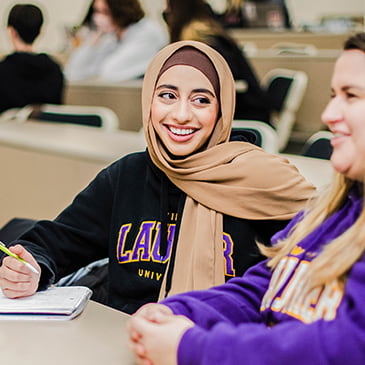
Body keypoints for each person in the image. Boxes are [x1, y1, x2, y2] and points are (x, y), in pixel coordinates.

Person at [0, 40, 315, 315]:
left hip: (218, 345)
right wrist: (32, 266)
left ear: (222, 110)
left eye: (201, 100)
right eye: (167, 95)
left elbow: (318, 263)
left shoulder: (261, 182)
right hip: (123, 339)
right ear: (149, 102)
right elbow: (58, 242)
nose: (181, 115)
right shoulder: (127, 176)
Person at [128, 33, 365, 365]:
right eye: (332, 95)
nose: (328, 114)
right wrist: (177, 311)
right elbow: (267, 284)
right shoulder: (335, 209)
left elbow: (346, 346)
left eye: (351, 96)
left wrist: (191, 347)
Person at [163, 0, 272, 123]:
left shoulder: (207, 42)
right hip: (243, 108)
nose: (166, 14)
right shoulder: (209, 33)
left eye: (168, 9)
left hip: (244, 114)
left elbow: (230, 77)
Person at [64, 0, 168, 82]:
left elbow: (110, 73)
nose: (98, 18)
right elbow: (72, 73)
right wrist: (92, 43)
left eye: (105, 12)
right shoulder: (112, 37)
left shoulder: (147, 32)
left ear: (121, 10)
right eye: (96, 11)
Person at [0, 4, 64, 114]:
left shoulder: (3, 70)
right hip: (47, 131)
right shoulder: (55, 70)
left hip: (8, 131)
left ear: (11, 31)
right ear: (40, 32)